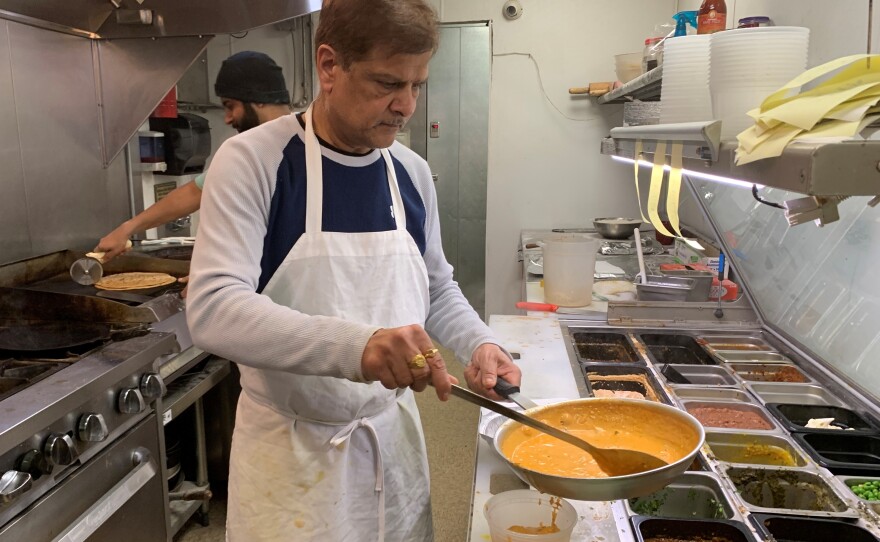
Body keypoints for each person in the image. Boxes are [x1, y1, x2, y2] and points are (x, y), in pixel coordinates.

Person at [186, 1, 523, 540]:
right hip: (291, 463)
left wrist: (481, 343)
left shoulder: (410, 172)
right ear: (329, 66)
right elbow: (213, 309)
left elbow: (436, 287)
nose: (406, 105)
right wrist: (358, 346)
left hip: (392, 449)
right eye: (388, 82)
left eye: (417, 84)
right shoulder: (254, 161)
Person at [93, 51, 293, 262]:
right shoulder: (246, 154)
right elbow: (194, 192)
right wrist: (127, 229)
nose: (227, 118)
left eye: (230, 106)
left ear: (258, 98)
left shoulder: (306, 147)